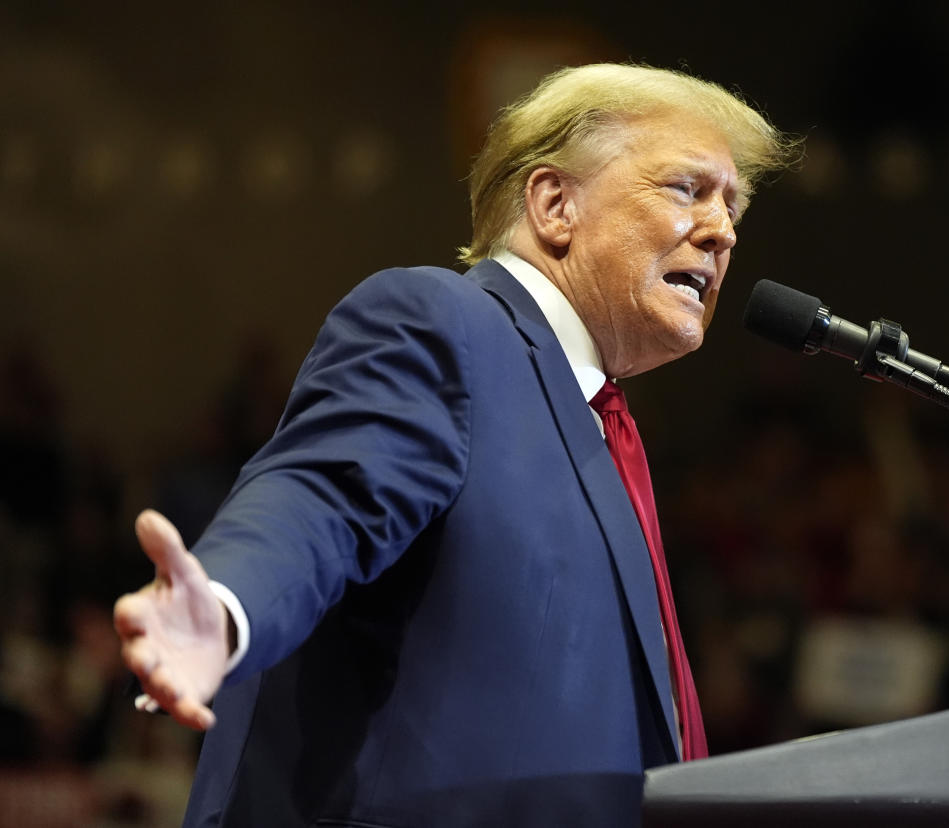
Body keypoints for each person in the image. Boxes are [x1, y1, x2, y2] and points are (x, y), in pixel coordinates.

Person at [113, 63, 797, 827]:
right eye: (686, 189)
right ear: (554, 203)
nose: (722, 229)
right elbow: (323, 496)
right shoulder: (446, 324)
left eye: (732, 205)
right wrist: (225, 602)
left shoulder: (600, 426)